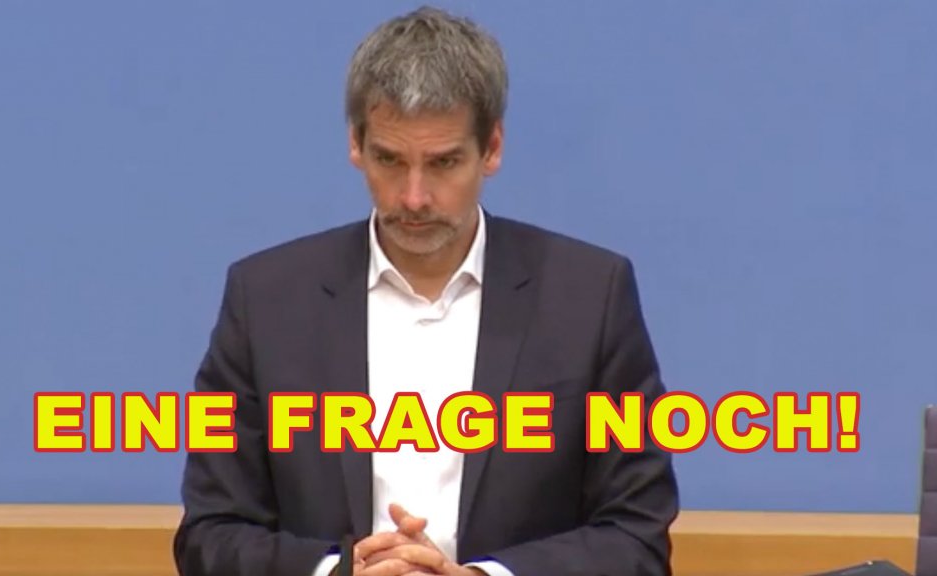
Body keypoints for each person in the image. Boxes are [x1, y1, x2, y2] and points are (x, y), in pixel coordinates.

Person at [173, 6, 678, 576]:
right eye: (390, 160)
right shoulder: (265, 301)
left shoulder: (590, 299)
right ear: (356, 144)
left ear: (491, 148)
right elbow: (210, 535)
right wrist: (338, 572)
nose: (414, 197)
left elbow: (636, 537)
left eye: (443, 163)